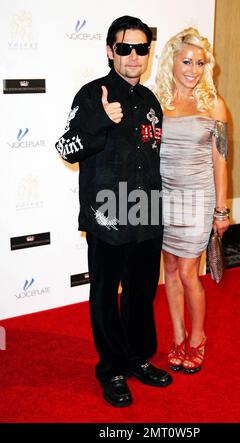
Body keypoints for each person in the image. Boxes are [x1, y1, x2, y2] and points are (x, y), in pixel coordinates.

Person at [55, 16, 172, 407]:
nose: (134, 56)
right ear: (110, 51)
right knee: (106, 295)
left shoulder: (151, 100)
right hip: (107, 213)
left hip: (146, 212)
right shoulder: (92, 95)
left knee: (140, 294)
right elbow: (66, 149)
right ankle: (112, 369)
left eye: (141, 48)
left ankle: (137, 358)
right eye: (125, 48)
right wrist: (100, 122)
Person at [155, 28, 230, 374]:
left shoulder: (214, 105)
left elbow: (221, 159)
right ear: (172, 61)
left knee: (188, 272)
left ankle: (198, 338)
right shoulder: (157, 103)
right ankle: (178, 335)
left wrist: (222, 209)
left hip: (198, 199)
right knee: (169, 269)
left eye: (200, 63)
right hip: (165, 198)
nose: (193, 69)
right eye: (186, 61)